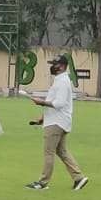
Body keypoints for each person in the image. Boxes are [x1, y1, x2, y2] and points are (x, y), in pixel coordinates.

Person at [24, 54, 87, 192]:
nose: (52, 67)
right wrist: (42, 118)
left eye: (55, 64)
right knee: (62, 151)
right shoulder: (59, 81)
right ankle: (79, 178)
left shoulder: (63, 82)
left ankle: (43, 182)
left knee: (49, 152)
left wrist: (41, 102)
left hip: (56, 123)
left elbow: (59, 104)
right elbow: (55, 102)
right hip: (57, 121)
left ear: (63, 66)